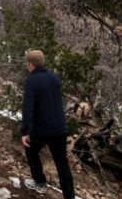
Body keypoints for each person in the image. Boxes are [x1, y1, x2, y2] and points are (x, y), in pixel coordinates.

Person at [21, 50, 75, 199]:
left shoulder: (31, 81)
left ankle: (39, 183)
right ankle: (70, 196)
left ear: (30, 64)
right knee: (62, 163)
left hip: (42, 129)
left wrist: (25, 131)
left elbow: (27, 108)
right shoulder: (54, 78)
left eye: (27, 63)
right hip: (60, 128)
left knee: (30, 150)